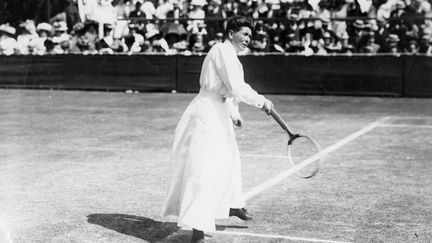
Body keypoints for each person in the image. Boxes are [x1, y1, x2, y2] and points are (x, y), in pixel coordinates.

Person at [160, 15, 273, 243]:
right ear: (231, 33)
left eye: (250, 36)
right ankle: (198, 231)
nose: (248, 39)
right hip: (205, 114)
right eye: (244, 34)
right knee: (203, 170)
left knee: (230, 159)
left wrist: (233, 113)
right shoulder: (221, 51)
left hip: (218, 112)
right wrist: (262, 102)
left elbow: (228, 92)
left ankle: (233, 205)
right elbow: (236, 87)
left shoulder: (231, 55)